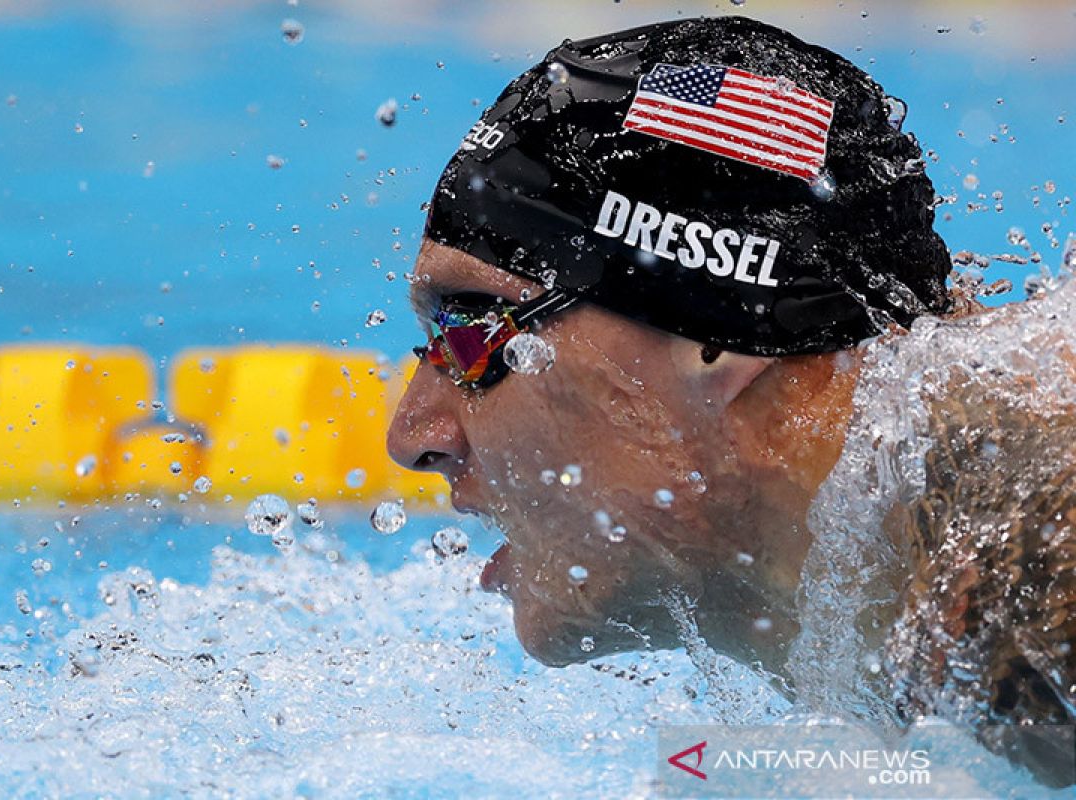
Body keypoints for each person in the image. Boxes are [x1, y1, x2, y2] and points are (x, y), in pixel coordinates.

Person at [385, 15, 1074, 782]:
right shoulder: (906, 587)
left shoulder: (1043, 543)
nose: (412, 434)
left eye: (470, 331)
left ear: (719, 341)